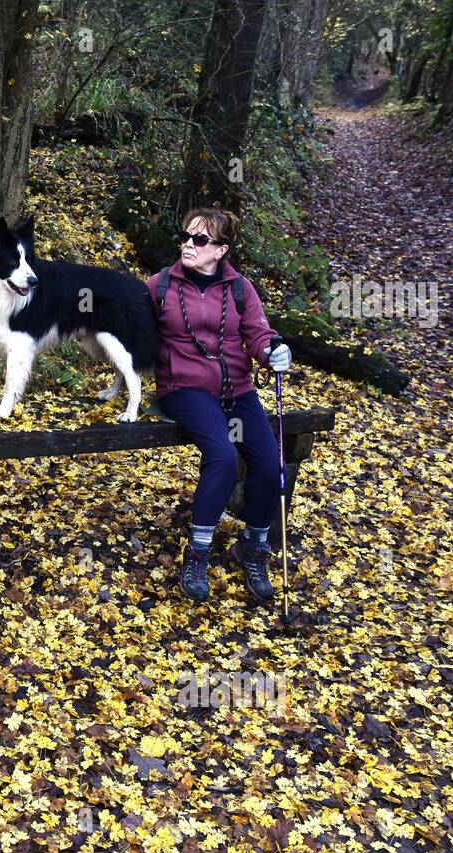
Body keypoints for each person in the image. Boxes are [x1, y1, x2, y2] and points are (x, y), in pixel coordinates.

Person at [149, 207, 292, 603]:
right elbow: (130, 326)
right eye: (185, 236)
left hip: (238, 390)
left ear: (221, 250)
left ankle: (253, 548)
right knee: (224, 457)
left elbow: (260, 334)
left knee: (268, 464)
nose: (188, 245)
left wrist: (273, 351)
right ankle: (197, 554)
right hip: (184, 387)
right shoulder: (160, 285)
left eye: (199, 239)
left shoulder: (241, 289)